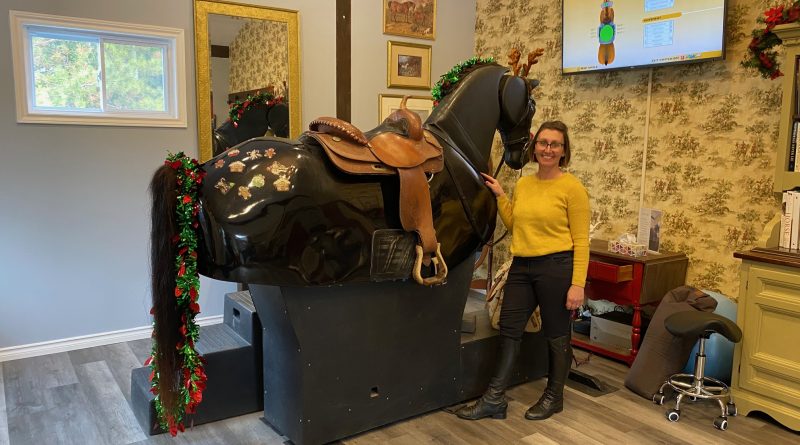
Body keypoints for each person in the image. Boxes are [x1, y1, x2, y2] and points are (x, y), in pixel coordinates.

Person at [455, 120, 590, 421]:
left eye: (555, 144)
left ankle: (554, 397)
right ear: (535, 147)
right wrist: (501, 195)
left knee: (556, 336)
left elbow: (581, 241)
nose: (548, 149)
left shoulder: (572, 188)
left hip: (557, 268)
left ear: (564, 151)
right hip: (522, 266)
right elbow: (516, 224)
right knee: (509, 328)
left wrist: (577, 284)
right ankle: (494, 399)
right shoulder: (525, 183)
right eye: (543, 143)